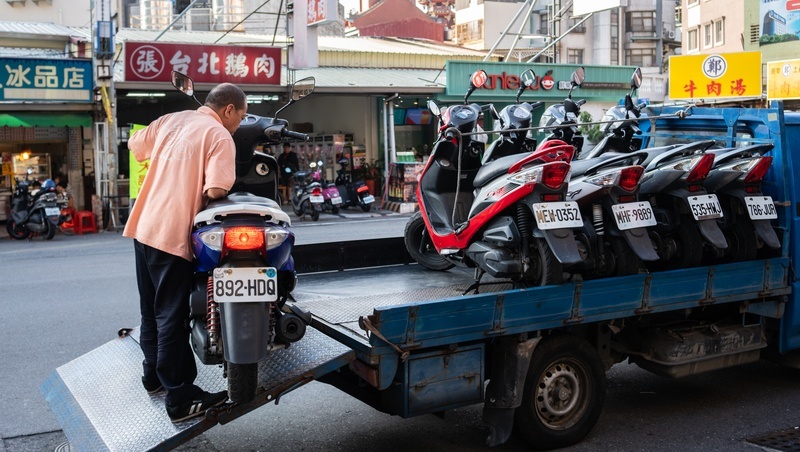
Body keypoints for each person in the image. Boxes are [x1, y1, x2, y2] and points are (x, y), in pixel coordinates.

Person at [122, 82, 247, 423]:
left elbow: (136, 145)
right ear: (229, 110)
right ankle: (180, 397)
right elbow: (217, 188)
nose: (239, 124)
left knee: (151, 310)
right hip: (171, 233)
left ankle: (153, 378)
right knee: (171, 316)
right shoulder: (220, 136)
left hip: (143, 227)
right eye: (242, 116)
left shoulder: (171, 120)